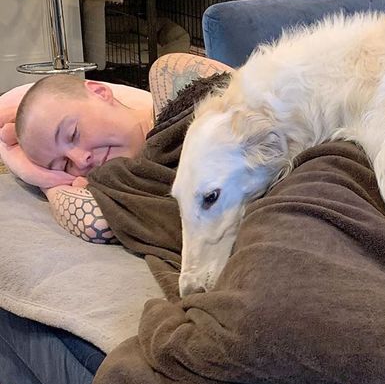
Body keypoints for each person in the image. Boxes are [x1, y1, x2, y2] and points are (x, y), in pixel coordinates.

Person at [0, 53, 232, 242]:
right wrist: (44, 179)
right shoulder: (117, 184)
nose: (81, 160)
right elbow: (94, 223)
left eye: (73, 134)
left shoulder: (173, 78)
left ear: (100, 92)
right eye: (64, 165)